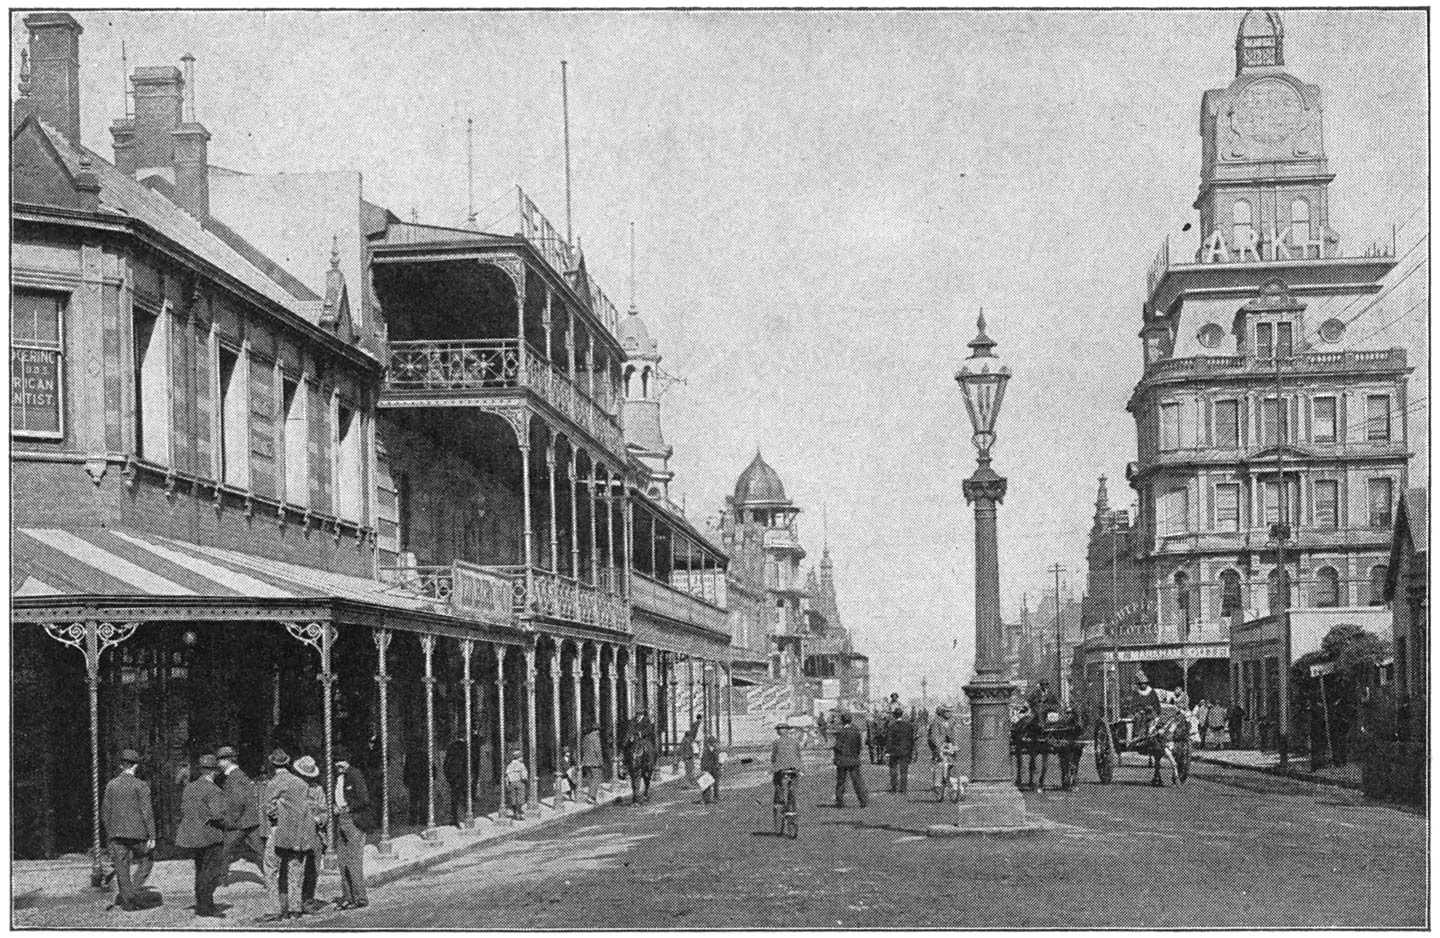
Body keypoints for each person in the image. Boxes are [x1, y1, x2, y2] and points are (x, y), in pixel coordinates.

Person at [257, 749, 316, 922]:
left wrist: (278, 817)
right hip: (299, 831)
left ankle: (275, 909)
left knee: (271, 869)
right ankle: (295, 908)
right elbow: (309, 806)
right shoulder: (300, 782)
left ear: (272, 764)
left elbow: (268, 808)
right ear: (287, 762)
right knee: (296, 869)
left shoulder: (273, 783)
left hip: (279, 830)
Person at [101, 748, 155, 912]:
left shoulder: (111, 785)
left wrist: (110, 833)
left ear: (121, 765)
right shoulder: (141, 785)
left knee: (121, 867)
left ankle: (129, 902)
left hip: (117, 834)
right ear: (136, 766)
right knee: (148, 860)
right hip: (138, 834)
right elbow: (147, 812)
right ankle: (133, 890)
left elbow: (105, 812)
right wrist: (151, 835)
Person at [175, 753, 227, 918]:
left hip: (193, 835)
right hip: (210, 836)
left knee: (200, 870)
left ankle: (202, 903)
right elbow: (218, 815)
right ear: (214, 771)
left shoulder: (189, 787)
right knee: (211, 872)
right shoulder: (214, 790)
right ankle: (206, 907)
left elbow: (183, 810)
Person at [214, 745, 262, 889]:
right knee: (259, 852)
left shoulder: (234, 777)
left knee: (224, 850)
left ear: (228, 760)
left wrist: (229, 821)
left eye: (220, 760)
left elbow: (237, 802)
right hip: (249, 821)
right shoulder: (239, 775)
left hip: (239, 823)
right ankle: (273, 877)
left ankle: (221, 879)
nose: (218, 763)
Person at [330, 748, 371, 910]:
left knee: (353, 860)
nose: (338, 765)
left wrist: (348, 807)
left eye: (341, 761)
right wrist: (335, 805)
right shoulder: (337, 777)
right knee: (342, 861)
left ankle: (360, 897)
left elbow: (364, 798)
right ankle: (347, 895)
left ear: (347, 761)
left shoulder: (355, 775)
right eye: (336, 762)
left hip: (354, 820)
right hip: (340, 819)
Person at [293, 756, 328, 915]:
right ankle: (294, 902)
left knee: (312, 868)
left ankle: (307, 900)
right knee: (295, 868)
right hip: (296, 831)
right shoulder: (291, 788)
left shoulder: (317, 789)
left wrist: (317, 819)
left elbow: (324, 813)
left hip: (314, 833)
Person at [831, 713, 868, 808]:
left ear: (842, 721)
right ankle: (863, 801)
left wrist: (836, 755)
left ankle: (839, 802)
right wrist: (856, 754)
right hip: (853, 758)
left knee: (841, 782)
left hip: (842, 759)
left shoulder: (840, 732)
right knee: (857, 781)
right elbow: (859, 746)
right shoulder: (856, 731)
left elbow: (837, 746)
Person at [770, 724, 803, 810]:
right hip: (794, 767)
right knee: (793, 783)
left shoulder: (776, 742)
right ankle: (792, 797)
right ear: (787, 731)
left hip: (781, 768)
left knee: (777, 782)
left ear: (778, 732)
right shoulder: (795, 741)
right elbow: (798, 755)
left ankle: (780, 800)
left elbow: (773, 757)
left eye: (779, 729)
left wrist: (774, 765)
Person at [927, 704, 958, 794]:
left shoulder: (952, 720)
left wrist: (955, 745)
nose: (948, 713)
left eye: (950, 711)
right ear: (943, 712)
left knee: (952, 761)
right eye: (946, 711)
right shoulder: (936, 721)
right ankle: (937, 785)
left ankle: (949, 779)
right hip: (937, 743)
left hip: (948, 743)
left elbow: (954, 734)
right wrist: (938, 747)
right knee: (939, 763)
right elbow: (934, 735)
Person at [884, 707, 915, 793]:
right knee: (904, 770)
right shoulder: (908, 725)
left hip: (894, 750)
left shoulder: (891, 726)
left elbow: (889, 739)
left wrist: (887, 751)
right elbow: (911, 739)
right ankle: (903, 788)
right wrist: (911, 751)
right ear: (902, 714)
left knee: (893, 769)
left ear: (894, 715)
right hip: (905, 750)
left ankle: (894, 787)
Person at [443, 738, 470, 827]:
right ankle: (466, 818)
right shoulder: (465, 749)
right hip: (463, 777)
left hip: (454, 778)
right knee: (465, 798)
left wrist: (449, 777)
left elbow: (445, 765)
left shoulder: (451, 750)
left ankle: (455, 818)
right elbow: (469, 764)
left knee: (454, 799)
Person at [580, 725, 604, 804]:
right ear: (595, 730)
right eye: (598, 730)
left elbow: (583, 748)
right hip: (594, 762)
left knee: (591, 779)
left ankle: (590, 796)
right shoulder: (595, 738)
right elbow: (598, 750)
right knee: (596, 778)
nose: (599, 732)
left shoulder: (586, 737)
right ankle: (591, 797)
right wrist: (601, 761)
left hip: (586, 761)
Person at [504, 750, 528, 820]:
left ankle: (515, 813)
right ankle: (520, 814)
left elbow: (506, 775)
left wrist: (507, 783)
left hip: (512, 783)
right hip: (520, 782)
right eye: (521, 756)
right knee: (520, 798)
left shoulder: (510, 765)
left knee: (513, 798)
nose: (522, 758)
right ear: (519, 757)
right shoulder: (521, 765)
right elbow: (524, 776)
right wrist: (526, 781)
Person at [699, 734, 722, 804]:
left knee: (716, 785)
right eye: (712, 742)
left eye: (714, 742)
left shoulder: (716, 749)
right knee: (705, 784)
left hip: (715, 769)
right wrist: (702, 769)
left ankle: (716, 798)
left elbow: (719, 759)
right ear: (709, 743)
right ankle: (705, 799)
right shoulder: (705, 750)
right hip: (708, 769)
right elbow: (703, 760)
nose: (713, 743)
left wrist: (719, 765)